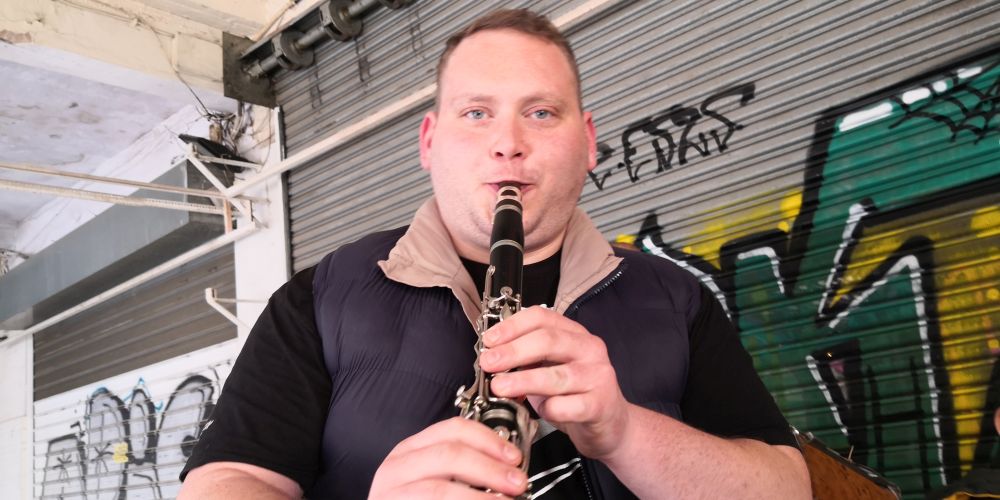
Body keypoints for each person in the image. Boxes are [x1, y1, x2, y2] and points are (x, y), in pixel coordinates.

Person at [179, 9, 811, 499]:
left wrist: (624, 431)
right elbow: (225, 480)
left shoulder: (677, 299)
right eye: (477, 112)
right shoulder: (319, 297)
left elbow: (789, 487)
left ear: (589, 141)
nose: (508, 143)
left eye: (542, 112)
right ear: (429, 142)